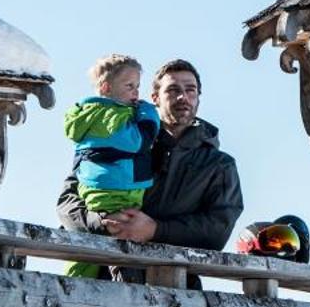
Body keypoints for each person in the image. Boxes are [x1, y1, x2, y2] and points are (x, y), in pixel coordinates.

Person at [57, 58, 243, 275]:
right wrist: (100, 221)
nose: (183, 97)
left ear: (198, 98)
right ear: (154, 98)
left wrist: (155, 230)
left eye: (190, 90)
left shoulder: (219, 165)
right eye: (173, 90)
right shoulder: (119, 137)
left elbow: (217, 229)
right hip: (98, 278)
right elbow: (66, 202)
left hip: (173, 288)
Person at [61, 53, 159, 278]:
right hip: (114, 194)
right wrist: (149, 112)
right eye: (129, 86)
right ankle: (83, 286)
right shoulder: (108, 116)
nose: (136, 92)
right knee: (111, 247)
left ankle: (74, 283)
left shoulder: (91, 114)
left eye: (138, 86)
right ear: (105, 88)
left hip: (99, 189)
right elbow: (139, 140)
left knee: (89, 252)